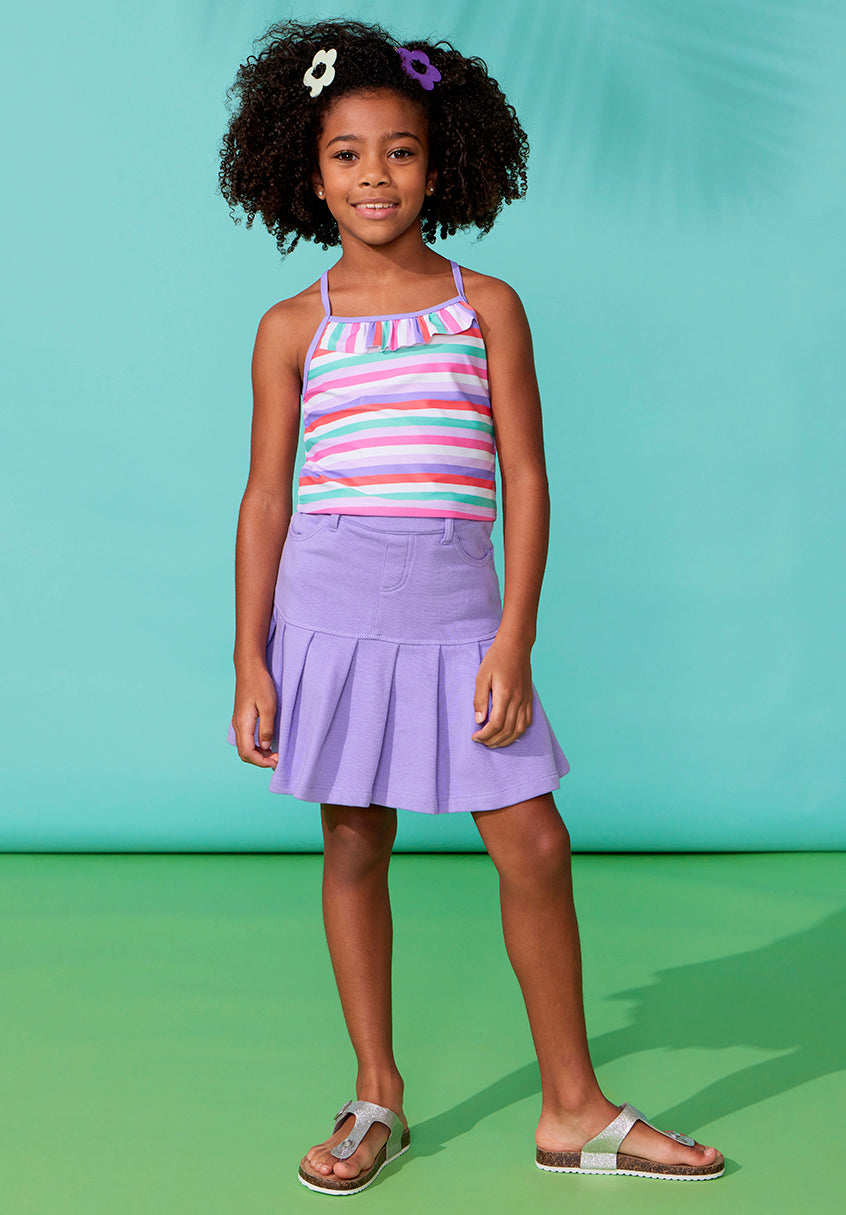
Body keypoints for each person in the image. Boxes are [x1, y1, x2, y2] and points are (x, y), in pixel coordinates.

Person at [219, 17, 725, 1196]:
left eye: (400, 152)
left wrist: (514, 637)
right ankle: (375, 1093)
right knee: (355, 841)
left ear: (439, 167)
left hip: (458, 617)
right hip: (330, 613)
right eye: (347, 155)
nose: (375, 176)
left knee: (534, 842)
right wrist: (250, 658)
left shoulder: (485, 305)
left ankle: (574, 1108)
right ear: (309, 173)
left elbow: (526, 478)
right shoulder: (293, 326)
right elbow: (264, 498)